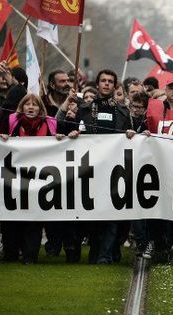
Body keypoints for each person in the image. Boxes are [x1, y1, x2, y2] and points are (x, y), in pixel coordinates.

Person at [126, 74, 173, 264]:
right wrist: (138, 134)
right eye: (171, 88)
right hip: (158, 170)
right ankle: (159, 247)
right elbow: (142, 131)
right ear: (166, 90)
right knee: (156, 209)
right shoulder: (153, 111)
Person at [61, 69, 131, 265]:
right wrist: (71, 128)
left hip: (114, 170)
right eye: (103, 81)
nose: (106, 84)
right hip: (89, 170)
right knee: (91, 215)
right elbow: (67, 129)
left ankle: (105, 255)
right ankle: (95, 251)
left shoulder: (123, 112)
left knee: (111, 214)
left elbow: (130, 134)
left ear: (115, 86)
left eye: (110, 81)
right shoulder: (84, 109)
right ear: (98, 84)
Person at [0, 94, 58, 264]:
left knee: (34, 218)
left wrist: (61, 139)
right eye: (27, 104)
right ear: (21, 107)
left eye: (35, 105)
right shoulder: (11, 121)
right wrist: (2, 138)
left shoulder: (50, 124)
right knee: (11, 217)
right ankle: (10, 252)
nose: (31, 107)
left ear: (41, 109)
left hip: (39, 180)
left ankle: (30, 254)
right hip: (13, 179)